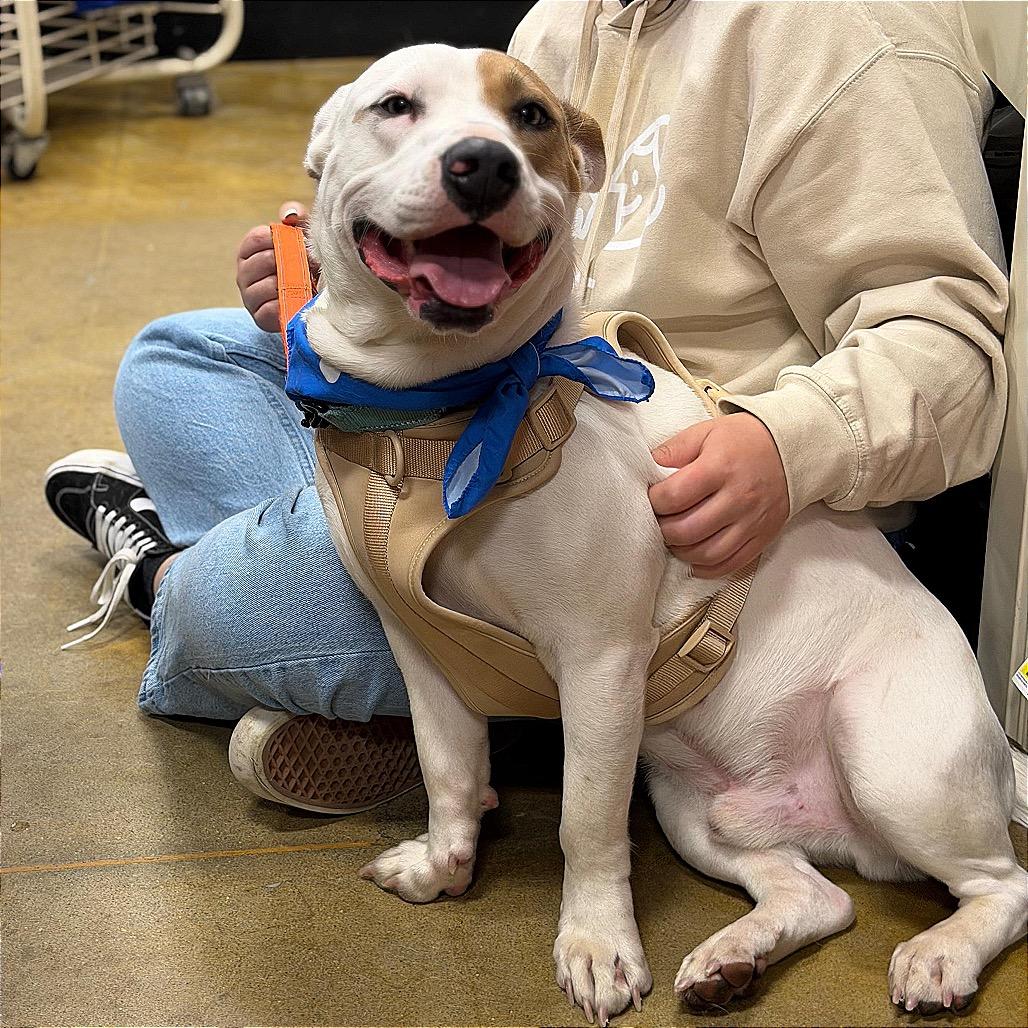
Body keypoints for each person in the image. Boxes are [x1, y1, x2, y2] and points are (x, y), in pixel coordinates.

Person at [45, 0, 1008, 814]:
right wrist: (344, 282)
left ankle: (185, 584)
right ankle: (425, 658)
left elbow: (952, 346)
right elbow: (494, 236)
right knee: (174, 359)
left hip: (663, 524)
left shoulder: (847, 33)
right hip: (481, 397)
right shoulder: (565, 19)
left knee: (231, 606)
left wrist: (785, 443)